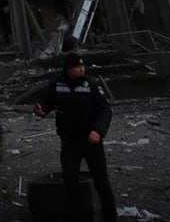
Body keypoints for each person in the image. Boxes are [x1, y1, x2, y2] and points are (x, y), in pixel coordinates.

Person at [34, 51, 116, 221]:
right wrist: (41, 109)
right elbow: (47, 100)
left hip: (91, 140)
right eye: (77, 67)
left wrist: (98, 131)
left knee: (101, 181)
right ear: (68, 69)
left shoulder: (90, 85)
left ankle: (110, 217)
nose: (81, 69)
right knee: (70, 181)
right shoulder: (57, 84)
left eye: (82, 66)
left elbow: (104, 110)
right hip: (70, 141)